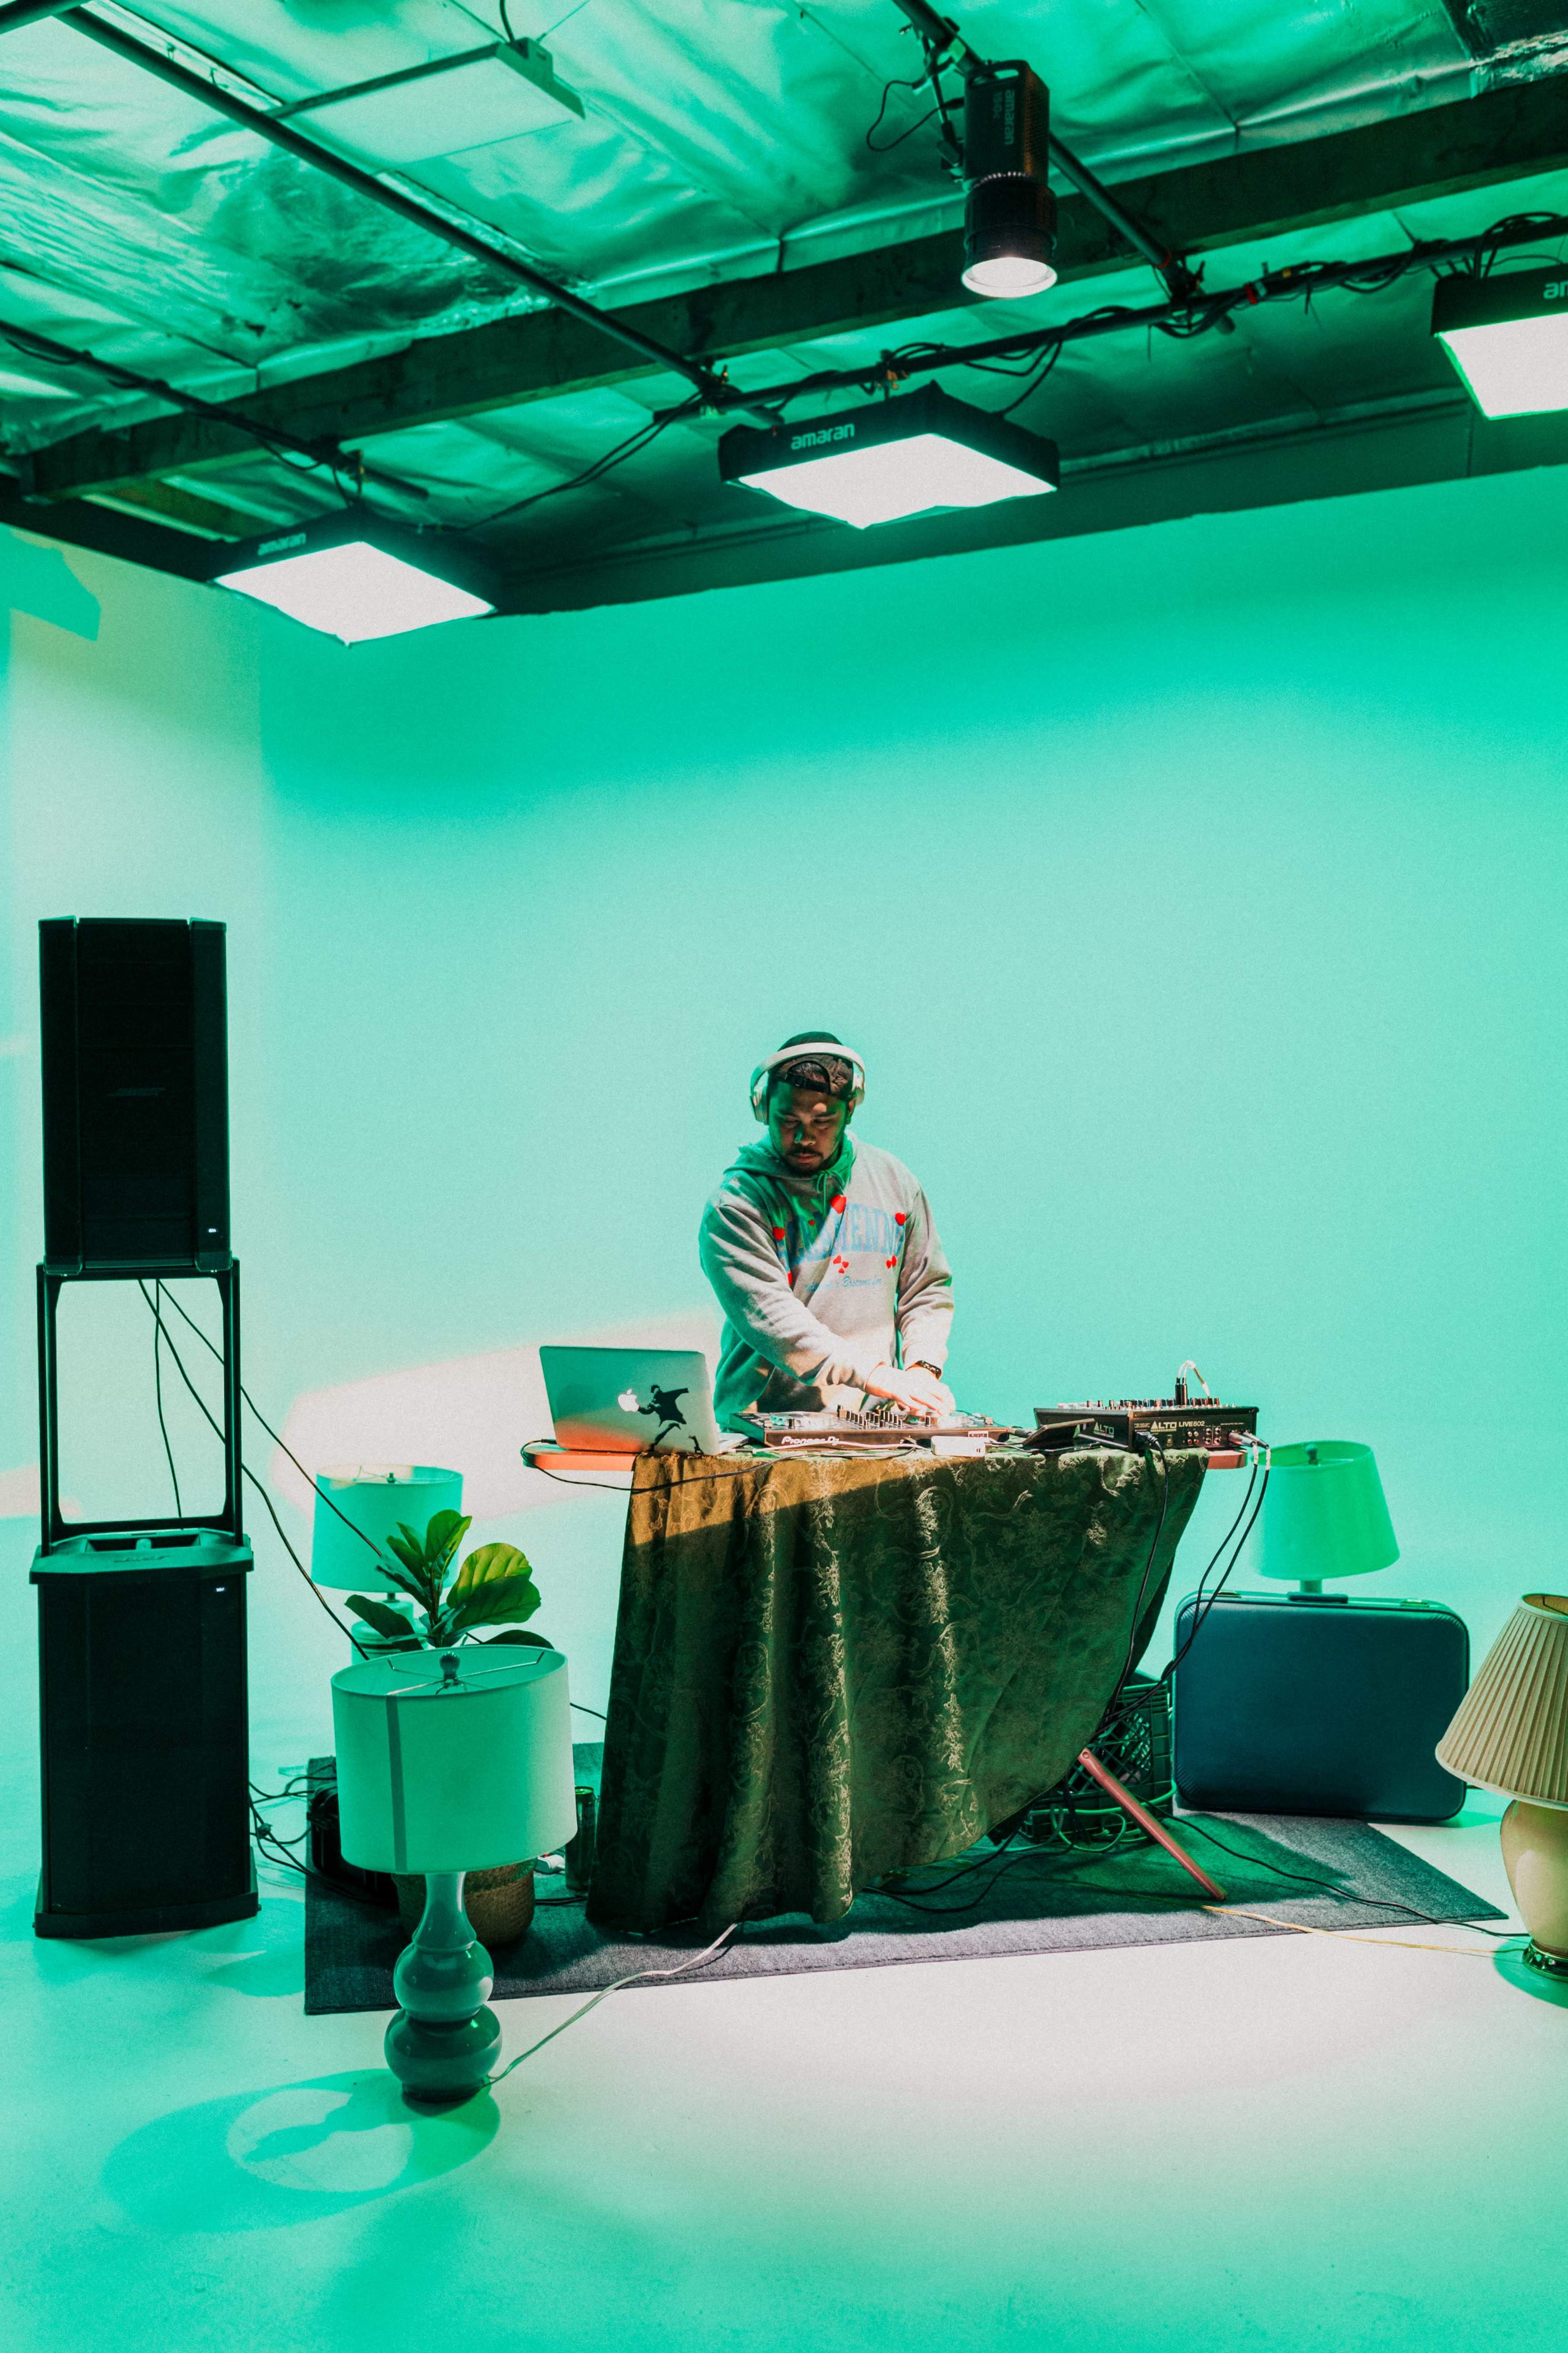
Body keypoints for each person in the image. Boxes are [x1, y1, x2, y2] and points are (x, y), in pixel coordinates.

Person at [699, 1032, 955, 1432]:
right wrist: (879, 1375)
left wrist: (923, 1367)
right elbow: (776, 1320)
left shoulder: (895, 1181)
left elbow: (926, 1288)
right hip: (763, 1430)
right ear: (761, 1108)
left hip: (877, 1427)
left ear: (851, 1108)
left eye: (822, 1121)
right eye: (788, 1120)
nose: (804, 1137)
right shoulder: (735, 1206)